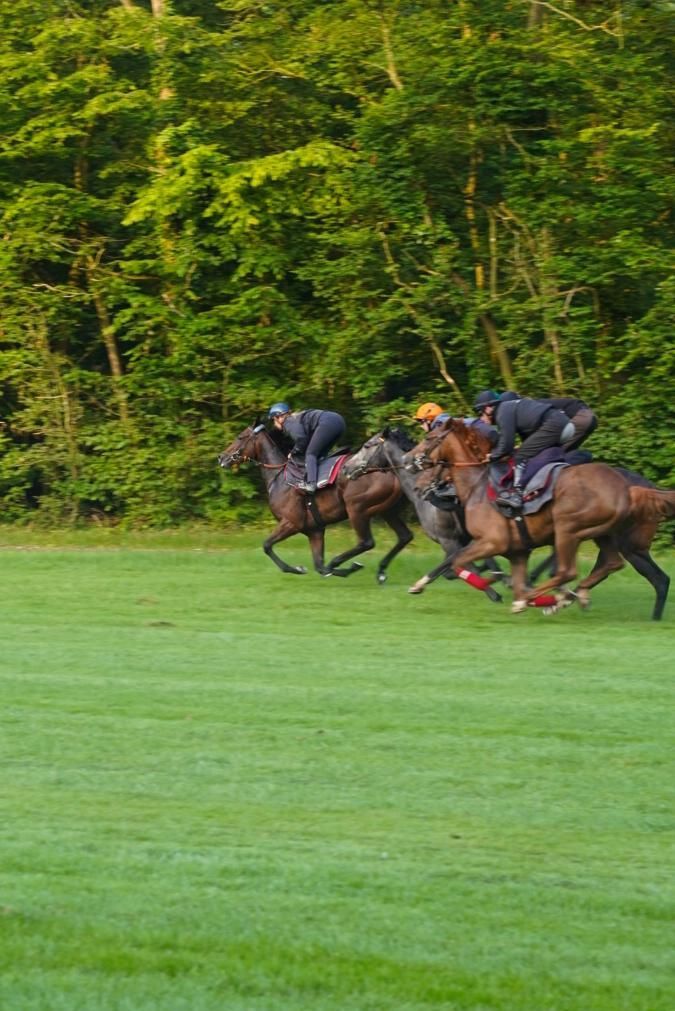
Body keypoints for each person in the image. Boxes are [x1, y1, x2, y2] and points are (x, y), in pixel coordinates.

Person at [474, 390, 576, 508]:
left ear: (488, 408)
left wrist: (492, 456)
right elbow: (524, 440)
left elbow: (507, 443)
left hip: (556, 424)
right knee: (533, 455)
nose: (481, 419)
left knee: (521, 456)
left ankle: (517, 495)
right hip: (562, 423)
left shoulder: (502, 411)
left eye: (480, 413)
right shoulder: (509, 408)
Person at [267, 402, 346, 493]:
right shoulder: (296, 419)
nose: (274, 423)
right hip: (339, 422)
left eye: (273, 420)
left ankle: (311, 484)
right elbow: (306, 440)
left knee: (310, 454)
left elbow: (302, 439)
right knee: (319, 455)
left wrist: (293, 452)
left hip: (328, 423)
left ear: (278, 418)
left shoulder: (288, 422)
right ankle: (323, 479)